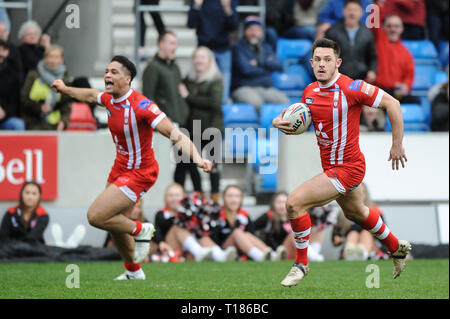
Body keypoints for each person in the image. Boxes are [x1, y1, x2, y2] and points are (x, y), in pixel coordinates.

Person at [51, 55, 213, 280]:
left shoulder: (142, 106)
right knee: (115, 224)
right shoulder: (109, 99)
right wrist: (66, 89)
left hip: (141, 172)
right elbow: (88, 95)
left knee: (96, 216)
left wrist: (196, 156)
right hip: (120, 167)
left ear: (128, 79)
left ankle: (142, 230)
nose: (108, 75)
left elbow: (174, 133)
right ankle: (133, 271)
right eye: (107, 71)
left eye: (114, 72)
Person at [272, 38, 411, 287]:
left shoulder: (352, 88)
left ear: (338, 63)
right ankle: (395, 246)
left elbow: (393, 103)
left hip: (348, 168)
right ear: (311, 63)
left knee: (293, 203)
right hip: (331, 167)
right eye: (318, 60)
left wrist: (397, 144)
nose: (322, 64)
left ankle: (301, 264)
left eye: (328, 60)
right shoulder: (309, 92)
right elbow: (298, 121)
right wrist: (279, 123)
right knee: (355, 212)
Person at [177, 46, 224, 203]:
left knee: (213, 166)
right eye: (196, 57)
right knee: (191, 164)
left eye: (203, 57)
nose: (199, 60)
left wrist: (189, 97)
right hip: (193, 128)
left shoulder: (216, 79)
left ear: (209, 60)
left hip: (212, 128)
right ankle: (199, 195)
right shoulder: (188, 79)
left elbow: (214, 103)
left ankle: (215, 198)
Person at [153, 183, 237, 262]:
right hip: (171, 247)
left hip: (189, 248)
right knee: (178, 227)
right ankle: (199, 251)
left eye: (177, 195)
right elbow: (159, 229)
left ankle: (220, 255)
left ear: (184, 197)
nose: (174, 198)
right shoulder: (161, 214)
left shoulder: (189, 212)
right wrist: (181, 214)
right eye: (171, 196)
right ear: (165, 198)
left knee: (201, 234)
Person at [231, 16, 289, 112]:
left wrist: (258, 63)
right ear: (245, 31)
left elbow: (278, 66)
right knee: (256, 103)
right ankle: (260, 127)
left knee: (284, 101)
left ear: (261, 32)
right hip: (244, 87)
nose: (254, 33)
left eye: (257, 30)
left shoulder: (266, 48)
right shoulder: (237, 47)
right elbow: (246, 70)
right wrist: (267, 66)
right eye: (251, 29)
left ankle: (280, 127)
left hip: (265, 88)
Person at [209, 185, 283, 261]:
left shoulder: (244, 215)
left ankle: (271, 255)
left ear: (241, 199)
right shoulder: (217, 214)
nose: (233, 200)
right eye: (230, 196)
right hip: (223, 250)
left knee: (246, 234)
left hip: (241, 248)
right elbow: (213, 239)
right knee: (237, 232)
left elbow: (252, 234)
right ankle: (259, 256)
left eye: (237, 196)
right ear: (224, 198)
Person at [187, 0, 239, 104]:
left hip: (223, 49)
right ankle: (199, 121)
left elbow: (234, 26)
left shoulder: (228, 1)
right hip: (204, 49)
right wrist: (196, 6)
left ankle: (220, 119)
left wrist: (227, 9)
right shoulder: (199, 1)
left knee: (222, 97)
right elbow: (190, 24)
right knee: (200, 93)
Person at [371, 8, 419, 104]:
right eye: (389, 26)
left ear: (401, 29)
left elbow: (409, 75)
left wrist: (406, 85)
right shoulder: (378, 42)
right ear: (383, 28)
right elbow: (373, 22)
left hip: (397, 93)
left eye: (396, 26)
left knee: (416, 102)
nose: (393, 29)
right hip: (379, 91)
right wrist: (379, 5)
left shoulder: (406, 53)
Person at [142, 31, 189, 127]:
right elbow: (148, 97)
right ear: (161, 44)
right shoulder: (152, 68)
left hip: (182, 122)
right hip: (166, 124)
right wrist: (161, 118)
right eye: (171, 43)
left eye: (176, 44)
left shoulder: (175, 67)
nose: (175, 47)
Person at [332, 183, 389, 261]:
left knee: (366, 233)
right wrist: (336, 237)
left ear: (366, 194)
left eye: (362, 192)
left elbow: (384, 232)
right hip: (351, 239)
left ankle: (363, 253)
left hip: (372, 245)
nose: (360, 195)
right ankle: (350, 252)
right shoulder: (344, 211)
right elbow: (336, 231)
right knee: (353, 233)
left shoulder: (375, 210)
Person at [21, 44, 72, 131]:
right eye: (50, 57)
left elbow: (66, 104)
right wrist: (40, 107)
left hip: (55, 124)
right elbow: (24, 99)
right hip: (33, 121)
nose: (53, 60)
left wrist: (63, 121)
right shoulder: (33, 74)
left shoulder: (64, 79)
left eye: (56, 57)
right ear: (45, 58)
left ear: (61, 59)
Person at [325, 0, 377, 83]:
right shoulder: (332, 31)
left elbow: (372, 57)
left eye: (355, 10)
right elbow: (325, 54)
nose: (352, 13)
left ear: (361, 13)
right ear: (344, 11)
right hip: (337, 78)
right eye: (349, 9)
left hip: (361, 79)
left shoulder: (367, 33)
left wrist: (372, 71)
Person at [254, 191, 295, 260]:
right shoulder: (268, 216)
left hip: (287, 251)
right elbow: (252, 228)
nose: (282, 205)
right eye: (279, 202)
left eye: (284, 202)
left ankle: (310, 255)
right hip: (270, 251)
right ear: (273, 204)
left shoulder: (293, 218)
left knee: (295, 234)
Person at [0, 39, 25, 130]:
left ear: (7, 52)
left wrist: (5, 112)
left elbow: (15, 101)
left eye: (3, 50)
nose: (1, 53)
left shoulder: (12, 73)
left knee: (18, 125)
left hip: (4, 117)